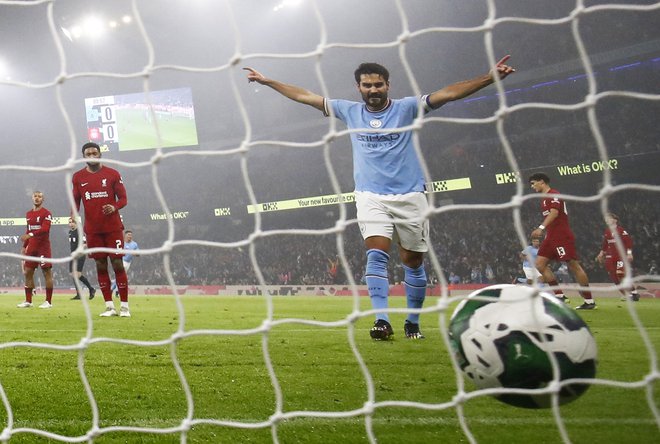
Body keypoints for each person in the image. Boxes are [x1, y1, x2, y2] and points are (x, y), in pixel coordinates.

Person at [245, 56, 516, 339]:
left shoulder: (407, 108)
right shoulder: (348, 111)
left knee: (412, 261)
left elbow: (447, 94)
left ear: (388, 85)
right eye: (367, 85)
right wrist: (268, 82)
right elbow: (306, 96)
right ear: (358, 87)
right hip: (369, 195)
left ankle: (412, 322)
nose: (373, 90)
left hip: (411, 195)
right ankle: (382, 321)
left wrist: (488, 78)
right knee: (376, 253)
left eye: (378, 85)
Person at [72, 142, 131, 317]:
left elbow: (124, 199)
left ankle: (125, 306)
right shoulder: (77, 177)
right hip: (93, 230)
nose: (91, 156)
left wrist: (114, 207)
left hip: (112, 228)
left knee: (118, 264)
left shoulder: (112, 174)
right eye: (88, 154)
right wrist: (73, 216)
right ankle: (109, 307)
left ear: (100, 155)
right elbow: (75, 201)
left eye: (94, 153)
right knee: (100, 265)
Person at [529, 172, 595, 310]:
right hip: (551, 237)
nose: (532, 186)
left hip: (561, 236)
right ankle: (560, 296)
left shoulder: (553, 194)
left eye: (533, 183)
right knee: (540, 264)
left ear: (542, 182)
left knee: (573, 266)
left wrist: (541, 228)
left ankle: (589, 301)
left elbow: (555, 213)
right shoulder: (544, 199)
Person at [17, 191, 54, 309]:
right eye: (35, 196)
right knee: (28, 272)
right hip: (32, 247)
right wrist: (24, 246)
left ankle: (48, 301)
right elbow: (28, 231)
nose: (37, 198)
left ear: (43, 199)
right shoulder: (28, 214)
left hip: (43, 247)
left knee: (46, 272)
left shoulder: (47, 213)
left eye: (39, 196)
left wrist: (30, 235)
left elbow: (45, 229)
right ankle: (28, 301)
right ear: (32, 198)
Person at [595, 212, 641, 301]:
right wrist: (601, 253)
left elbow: (629, 242)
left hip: (621, 257)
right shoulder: (607, 231)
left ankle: (632, 294)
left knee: (621, 274)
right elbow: (605, 244)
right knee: (614, 277)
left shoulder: (621, 231)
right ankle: (629, 294)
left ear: (615, 220)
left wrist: (629, 253)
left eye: (609, 218)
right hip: (610, 257)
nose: (607, 220)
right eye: (606, 218)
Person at [68, 217, 96, 300]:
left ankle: (91, 289)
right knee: (72, 274)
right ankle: (79, 294)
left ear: (76, 223)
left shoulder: (80, 232)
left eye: (72, 222)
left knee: (77, 274)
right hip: (72, 255)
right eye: (69, 222)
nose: (70, 224)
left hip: (80, 255)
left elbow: (85, 244)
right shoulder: (70, 232)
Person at [111, 230, 139, 297]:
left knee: (119, 277)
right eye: (128, 235)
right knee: (121, 276)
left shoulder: (134, 244)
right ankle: (116, 291)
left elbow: (138, 253)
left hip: (128, 263)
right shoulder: (121, 243)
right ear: (125, 235)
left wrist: (135, 253)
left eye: (131, 235)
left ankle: (112, 289)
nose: (130, 236)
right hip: (121, 261)